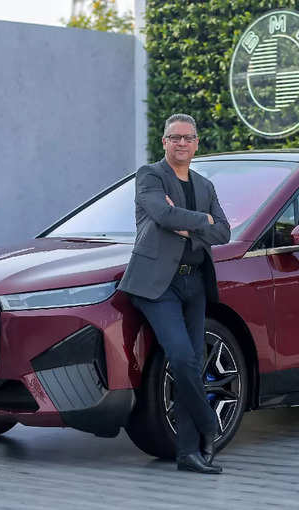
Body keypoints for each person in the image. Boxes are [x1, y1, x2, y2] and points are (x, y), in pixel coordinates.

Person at [118, 113, 231, 474]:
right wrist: (202, 223)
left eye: (188, 137)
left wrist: (189, 228)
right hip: (157, 285)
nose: (181, 143)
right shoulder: (149, 176)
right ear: (164, 143)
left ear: (197, 143)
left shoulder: (205, 186)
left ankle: (187, 453)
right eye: (174, 137)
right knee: (181, 359)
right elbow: (161, 214)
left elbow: (225, 232)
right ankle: (209, 425)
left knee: (193, 365)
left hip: (194, 283)